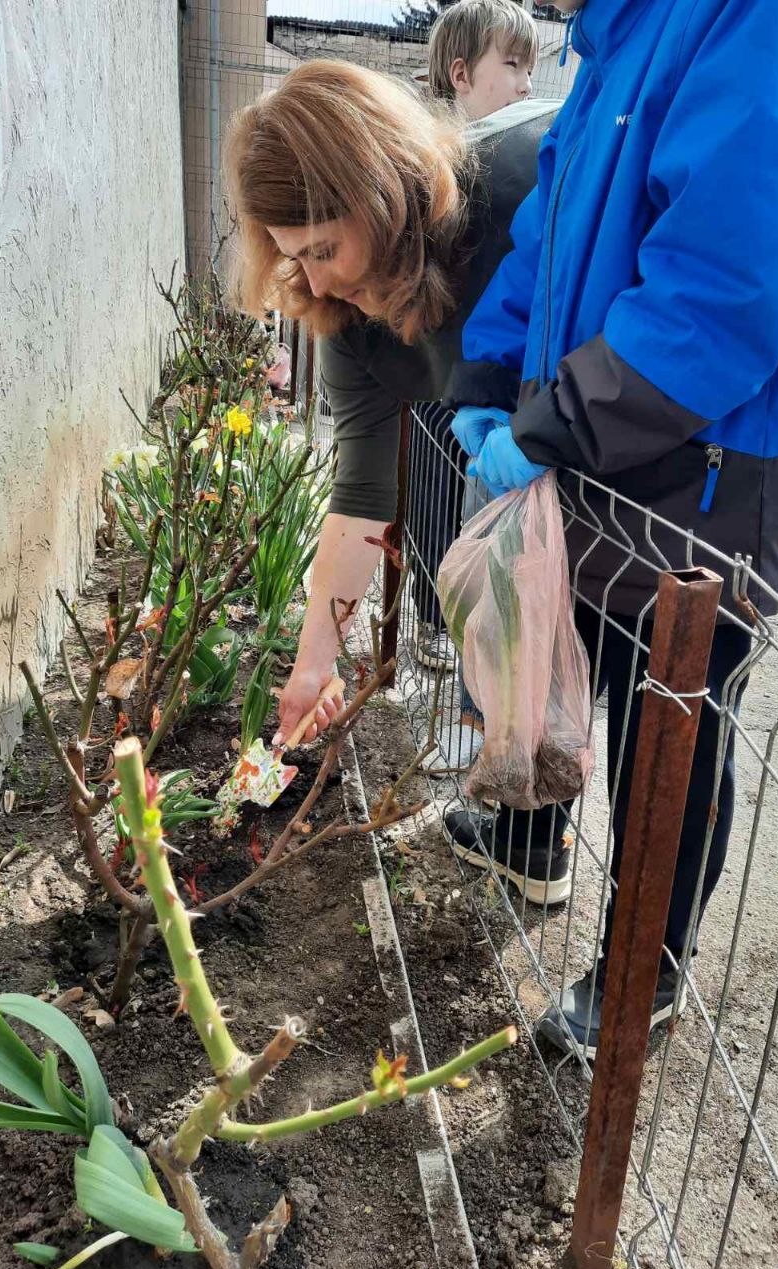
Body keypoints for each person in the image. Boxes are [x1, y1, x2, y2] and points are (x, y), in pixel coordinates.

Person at [442, 0, 778, 1055]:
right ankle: (533, 837)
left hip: (718, 465)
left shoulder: (770, 18)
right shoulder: (624, 31)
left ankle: (645, 968)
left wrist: (557, 421)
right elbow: (550, 234)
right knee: (572, 645)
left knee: (671, 726)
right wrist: (491, 373)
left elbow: (724, 289)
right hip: (613, 435)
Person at [224, 59, 556, 798]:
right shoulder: (342, 314)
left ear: (383, 201)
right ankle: (528, 833)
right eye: (292, 256)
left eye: (322, 250)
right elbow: (362, 492)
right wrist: (313, 663)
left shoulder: (514, 198)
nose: (313, 282)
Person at [409, 0, 539, 771]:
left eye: (529, 67)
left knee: (493, 552)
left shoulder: (532, 160)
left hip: (505, 398)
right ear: (461, 74)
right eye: (512, 66)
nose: (526, 84)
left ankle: (478, 709)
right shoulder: (442, 168)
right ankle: (451, 665)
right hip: (448, 388)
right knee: (452, 532)